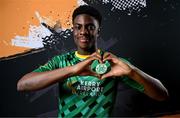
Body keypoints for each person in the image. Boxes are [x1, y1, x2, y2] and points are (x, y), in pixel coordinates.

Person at [17, 5, 169, 117]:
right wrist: (73, 70)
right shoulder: (61, 61)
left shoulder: (112, 62)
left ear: (98, 31)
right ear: (74, 31)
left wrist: (132, 72)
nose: (83, 31)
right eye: (78, 27)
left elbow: (162, 95)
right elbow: (23, 85)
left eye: (90, 27)